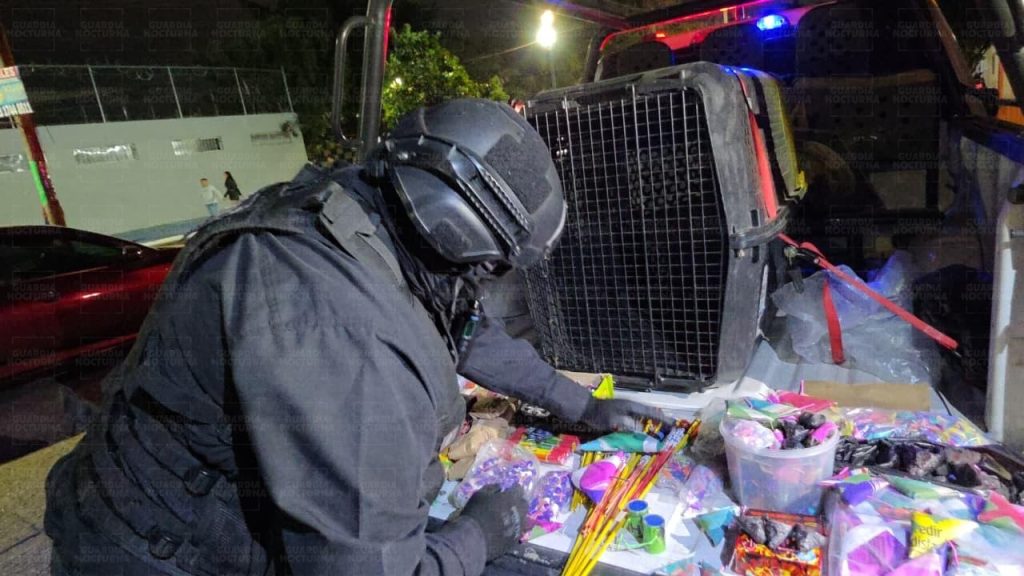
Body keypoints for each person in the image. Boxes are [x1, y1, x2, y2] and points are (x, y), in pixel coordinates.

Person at [44, 99, 667, 576]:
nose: (486, 280)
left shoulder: (369, 211)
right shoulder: (337, 329)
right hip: (151, 554)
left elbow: (458, 325)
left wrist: (580, 404)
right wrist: (478, 536)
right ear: (453, 233)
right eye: (489, 266)